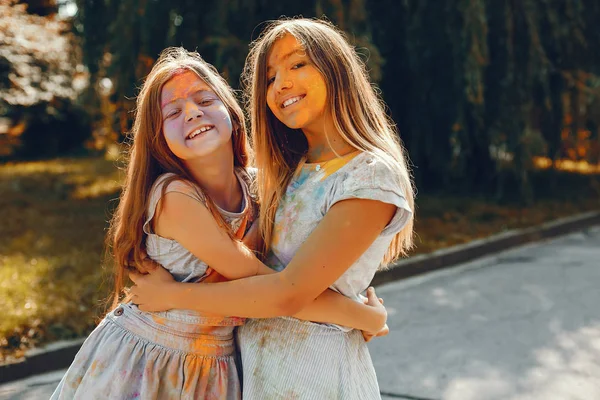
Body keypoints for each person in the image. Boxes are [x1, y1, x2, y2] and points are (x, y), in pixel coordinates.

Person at [51, 47, 388, 400]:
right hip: (149, 361)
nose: (193, 113)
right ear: (158, 138)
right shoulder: (174, 197)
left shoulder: (258, 189)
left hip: (215, 365)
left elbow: (296, 269)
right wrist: (364, 318)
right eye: (174, 112)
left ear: (231, 110)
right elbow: (275, 290)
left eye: (204, 99)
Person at [130, 18, 414, 399]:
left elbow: (287, 292)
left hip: (317, 376)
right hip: (256, 373)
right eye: (269, 77)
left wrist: (174, 296)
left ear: (337, 70)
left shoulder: (369, 175)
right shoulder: (286, 172)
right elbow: (257, 269)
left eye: (297, 64)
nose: (280, 84)